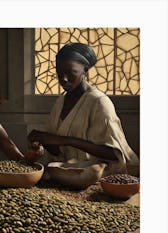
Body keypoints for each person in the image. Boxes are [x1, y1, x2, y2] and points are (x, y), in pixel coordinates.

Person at [27, 42, 139, 176]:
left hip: (102, 174)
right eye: (59, 73)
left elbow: (114, 154)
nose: (64, 79)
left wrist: (66, 140)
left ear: (85, 70)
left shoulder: (99, 102)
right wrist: (42, 141)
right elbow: (60, 152)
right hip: (73, 172)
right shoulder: (61, 102)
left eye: (71, 72)